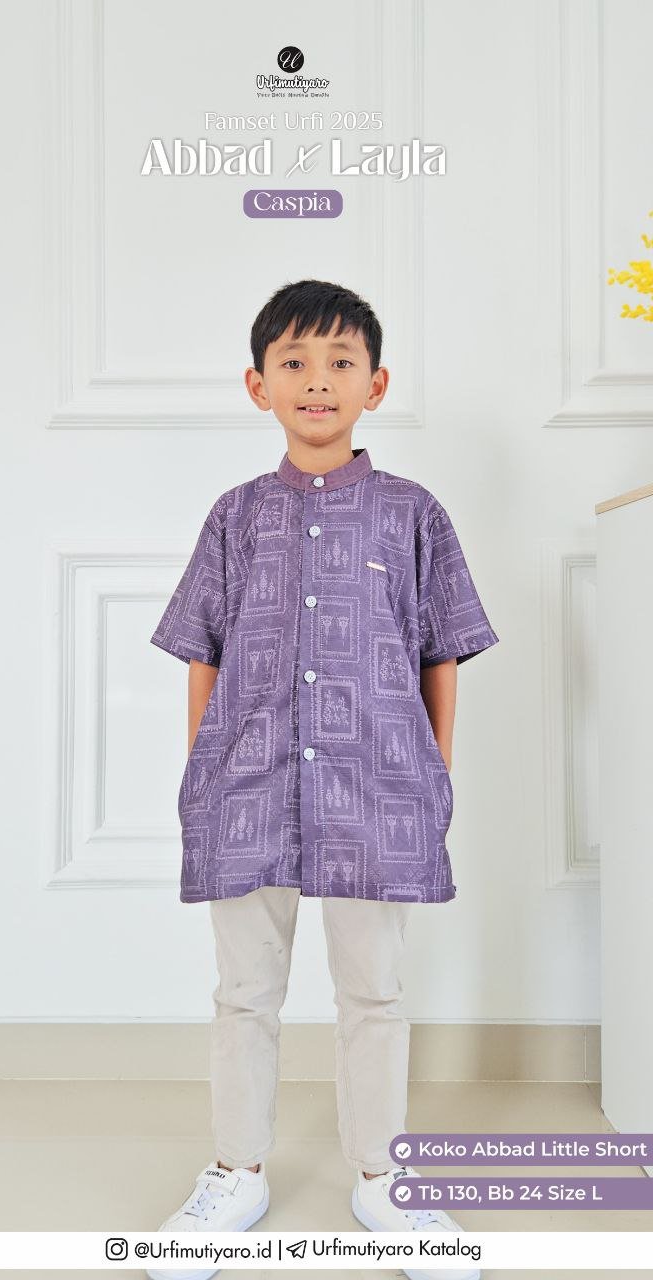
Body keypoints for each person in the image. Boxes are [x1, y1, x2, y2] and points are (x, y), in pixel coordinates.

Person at [146, 279, 499, 1280]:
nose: (317, 380)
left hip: (379, 793)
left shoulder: (413, 515)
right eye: (293, 362)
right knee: (243, 993)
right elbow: (202, 651)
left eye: (341, 361)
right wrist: (205, 770)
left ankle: (384, 1179)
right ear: (256, 384)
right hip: (246, 788)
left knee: (374, 992)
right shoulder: (235, 516)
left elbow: (441, 650)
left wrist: (432, 772)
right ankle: (235, 1173)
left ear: (375, 385)